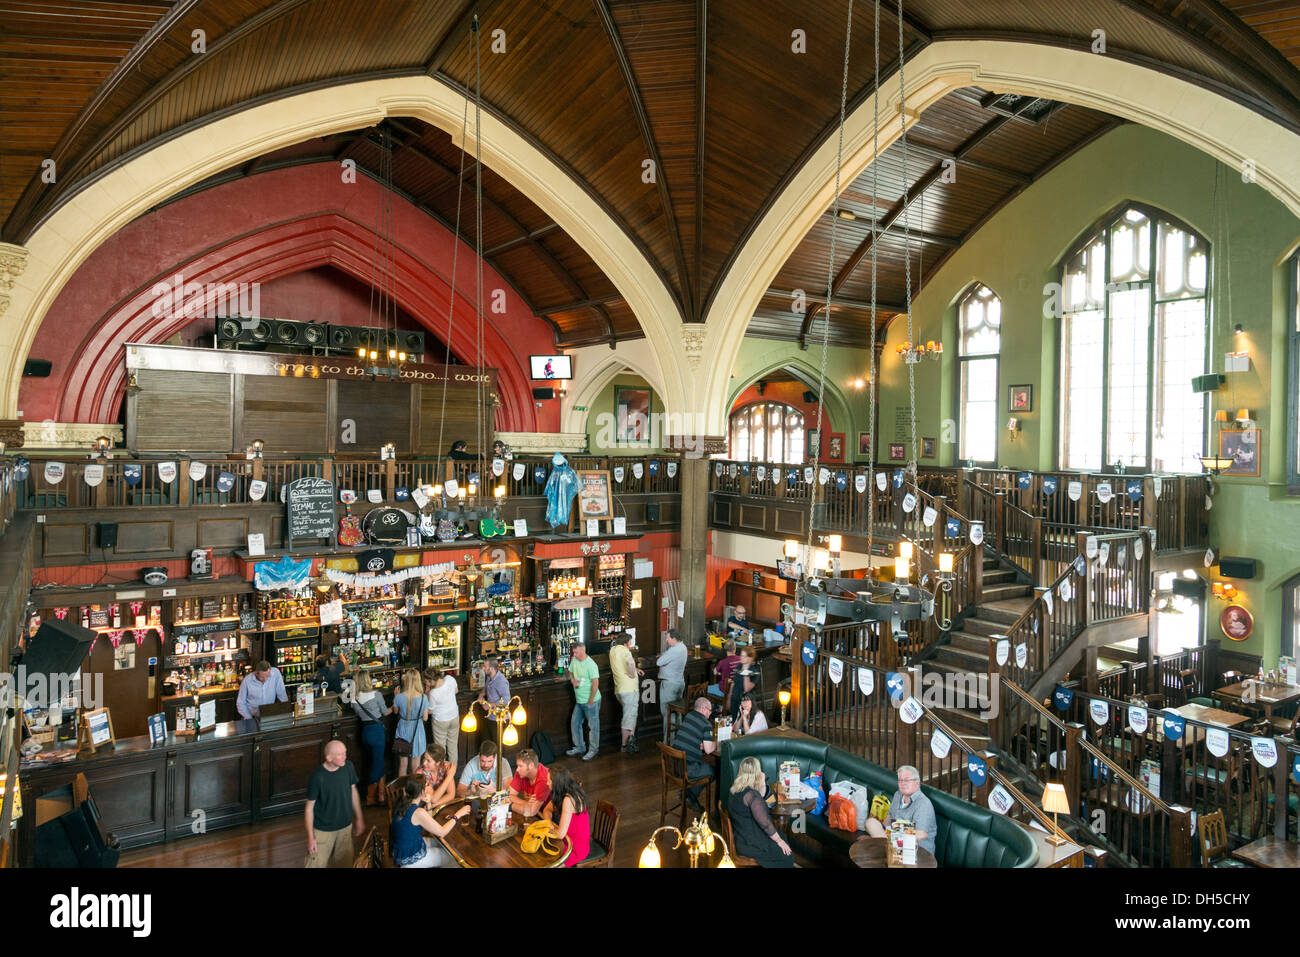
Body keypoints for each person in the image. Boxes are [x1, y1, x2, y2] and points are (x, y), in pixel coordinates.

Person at [304, 739, 365, 868]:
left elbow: (353, 791)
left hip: (345, 827)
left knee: (345, 864)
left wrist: (359, 818)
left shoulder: (348, 767)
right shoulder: (317, 777)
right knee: (314, 864)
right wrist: (310, 838)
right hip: (322, 830)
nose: (345, 756)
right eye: (340, 754)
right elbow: (309, 808)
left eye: (345, 752)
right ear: (329, 758)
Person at [727, 756, 794, 868]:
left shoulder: (735, 789)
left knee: (782, 837)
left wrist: (762, 784)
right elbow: (766, 824)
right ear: (757, 773)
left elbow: (757, 802)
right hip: (750, 843)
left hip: (740, 836)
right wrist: (778, 841)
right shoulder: (752, 795)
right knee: (787, 856)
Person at [390, 777, 470, 868]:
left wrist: (428, 804)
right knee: (453, 858)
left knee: (448, 846)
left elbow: (428, 821)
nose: (430, 787)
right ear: (422, 792)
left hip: (404, 849)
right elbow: (442, 832)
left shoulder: (403, 803)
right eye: (427, 785)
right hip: (410, 859)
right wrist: (458, 814)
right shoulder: (418, 812)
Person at [863, 764, 938, 858]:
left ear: (917, 783)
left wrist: (898, 838)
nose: (903, 783)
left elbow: (922, 834)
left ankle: (885, 846)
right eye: (900, 780)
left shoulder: (923, 804)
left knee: (874, 851)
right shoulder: (898, 795)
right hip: (894, 838)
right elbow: (889, 817)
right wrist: (884, 832)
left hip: (916, 850)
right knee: (870, 822)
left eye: (907, 780)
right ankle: (886, 846)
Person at [670, 696, 716, 809]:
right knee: (714, 771)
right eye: (710, 710)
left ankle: (688, 795)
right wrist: (717, 743)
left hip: (673, 766)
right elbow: (709, 750)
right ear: (704, 709)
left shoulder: (689, 716)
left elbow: (692, 734)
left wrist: (701, 743)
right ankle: (691, 796)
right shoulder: (706, 724)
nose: (710, 714)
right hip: (688, 769)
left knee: (705, 767)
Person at [350, 670, 387, 805]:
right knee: (378, 763)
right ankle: (370, 797)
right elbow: (384, 712)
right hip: (377, 732)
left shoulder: (354, 698)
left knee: (378, 761)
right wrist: (396, 705)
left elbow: (358, 714)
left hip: (365, 732)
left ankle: (381, 795)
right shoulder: (376, 695)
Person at [545, 766, 590, 867]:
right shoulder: (563, 792)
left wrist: (546, 830)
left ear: (557, 783)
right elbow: (546, 810)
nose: (547, 783)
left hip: (575, 847)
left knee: (549, 861)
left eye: (548, 781)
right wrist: (549, 823)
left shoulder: (569, 799)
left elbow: (560, 834)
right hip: (566, 838)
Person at [389, 669, 430, 777]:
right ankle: (414, 791)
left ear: (406, 680)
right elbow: (425, 718)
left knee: (402, 764)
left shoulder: (399, 697)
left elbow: (395, 711)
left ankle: (402, 791)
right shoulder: (423, 698)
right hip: (417, 731)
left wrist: (395, 696)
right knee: (416, 765)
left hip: (403, 728)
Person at [565, 640, 601, 761]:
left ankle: (593, 750)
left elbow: (595, 684)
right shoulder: (574, 660)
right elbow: (570, 672)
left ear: (582, 650)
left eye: (576, 652)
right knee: (575, 723)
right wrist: (572, 680)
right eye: (573, 653)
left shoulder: (591, 665)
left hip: (591, 701)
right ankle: (580, 747)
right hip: (579, 700)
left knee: (593, 727)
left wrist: (591, 699)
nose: (574, 655)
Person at [609, 633, 643, 753]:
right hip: (629, 689)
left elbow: (621, 665)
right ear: (626, 643)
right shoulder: (625, 651)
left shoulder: (613, 650)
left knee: (630, 715)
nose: (630, 644)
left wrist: (635, 670)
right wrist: (633, 674)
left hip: (619, 688)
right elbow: (631, 663)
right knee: (629, 717)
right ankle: (625, 745)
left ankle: (631, 740)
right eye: (630, 642)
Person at [423, 666, 460, 771]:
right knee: (453, 747)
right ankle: (452, 772)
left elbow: (430, 710)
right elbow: (456, 691)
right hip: (454, 716)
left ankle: (442, 773)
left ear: (431, 680)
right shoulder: (450, 679)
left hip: (441, 720)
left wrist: (427, 693)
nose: (426, 685)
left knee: (440, 749)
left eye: (427, 682)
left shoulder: (433, 693)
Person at [656, 628, 688, 742]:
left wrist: (663, 657)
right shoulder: (683, 647)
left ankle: (668, 741)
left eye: (668, 638)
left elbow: (659, 662)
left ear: (674, 639)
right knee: (677, 711)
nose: (666, 640)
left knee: (667, 712)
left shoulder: (674, 650)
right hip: (679, 682)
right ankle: (678, 739)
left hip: (670, 684)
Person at [508, 748, 551, 817]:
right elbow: (508, 796)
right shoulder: (520, 773)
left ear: (531, 765)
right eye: (517, 766)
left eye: (520, 766)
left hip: (552, 816)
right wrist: (527, 804)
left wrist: (510, 805)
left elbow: (531, 812)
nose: (517, 769)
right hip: (536, 813)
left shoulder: (543, 779)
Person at [729, 646, 759, 722]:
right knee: (734, 720)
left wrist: (746, 672)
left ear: (751, 658)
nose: (741, 657)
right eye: (741, 655)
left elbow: (747, 688)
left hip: (746, 702)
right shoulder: (739, 666)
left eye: (744, 656)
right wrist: (729, 697)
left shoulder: (754, 672)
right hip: (735, 699)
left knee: (745, 721)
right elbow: (734, 683)